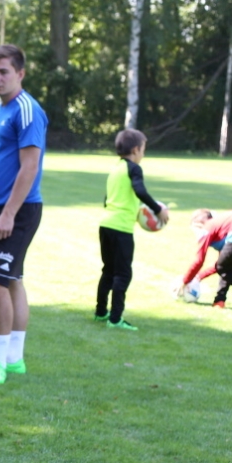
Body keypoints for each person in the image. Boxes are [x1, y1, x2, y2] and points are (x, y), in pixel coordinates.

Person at [0, 44, 48, 386]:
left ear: (20, 73)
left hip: (17, 210)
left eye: (4, 72)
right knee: (11, 279)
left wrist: (8, 215)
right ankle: (14, 360)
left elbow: (29, 167)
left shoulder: (27, 110)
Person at [96, 128, 169, 331]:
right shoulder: (133, 168)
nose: (143, 154)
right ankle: (116, 318)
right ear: (136, 150)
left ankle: (101, 312)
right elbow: (140, 190)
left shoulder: (115, 169)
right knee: (123, 274)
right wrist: (157, 210)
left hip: (106, 225)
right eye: (144, 150)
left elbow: (108, 199)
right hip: (121, 229)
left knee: (108, 271)